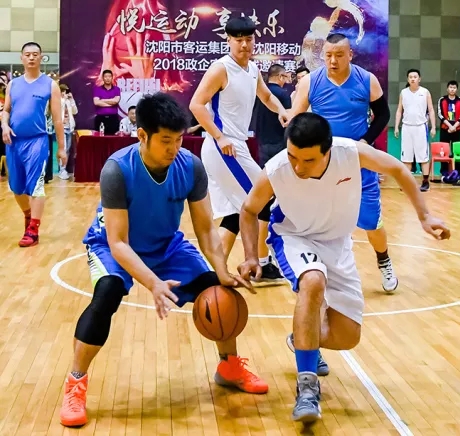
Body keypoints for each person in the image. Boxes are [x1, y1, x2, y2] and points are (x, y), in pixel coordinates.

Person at [59, 93, 267, 428]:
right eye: (166, 141)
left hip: (166, 245)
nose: (174, 148)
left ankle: (229, 366)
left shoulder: (190, 166)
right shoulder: (117, 170)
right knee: (107, 293)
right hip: (112, 246)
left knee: (216, 289)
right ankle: (76, 382)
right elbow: (118, 242)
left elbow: (205, 229)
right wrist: (153, 282)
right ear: (142, 135)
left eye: (179, 140)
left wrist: (222, 270)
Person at [237, 113, 450, 423]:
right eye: (293, 156)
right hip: (294, 236)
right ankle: (307, 387)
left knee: (347, 337)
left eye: (308, 160)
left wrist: (425, 216)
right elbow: (248, 209)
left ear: (328, 150)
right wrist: (251, 256)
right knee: (313, 281)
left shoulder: (350, 153)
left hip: (338, 243)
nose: (298, 167)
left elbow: (398, 169)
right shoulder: (277, 169)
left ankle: (302, 337)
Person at [288, 33, 398, 294]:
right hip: (323, 165)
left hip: (359, 164)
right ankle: (321, 271)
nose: (333, 61)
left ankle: (384, 260)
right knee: (320, 222)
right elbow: (296, 120)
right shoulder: (311, 82)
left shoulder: (366, 80)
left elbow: (383, 114)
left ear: (350, 55)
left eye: (339, 55)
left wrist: (366, 141)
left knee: (371, 221)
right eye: (328, 55)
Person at [189, 17, 289, 281]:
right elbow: (196, 104)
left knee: (236, 213)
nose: (244, 45)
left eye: (248, 39)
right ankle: (259, 262)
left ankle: (211, 273)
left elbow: (266, 96)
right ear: (228, 40)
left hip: (235, 146)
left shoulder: (252, 69)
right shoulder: (221, 69)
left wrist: (281, 110)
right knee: (262, 197)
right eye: (238, 40)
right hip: (224, 147)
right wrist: (220, 136)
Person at [1, 42, 67, 247]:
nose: (31, 57)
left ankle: (33, 230)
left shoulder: (50, 85)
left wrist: (61, 148)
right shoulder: (13, 85)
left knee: (36, 186)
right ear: (21, 58)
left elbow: (57, 119)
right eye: (27, 54)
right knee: (16, 188)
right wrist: (4, 125)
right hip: (14, 141)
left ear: (41, 57)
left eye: (35, 54)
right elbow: (6, 110)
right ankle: (29, 215)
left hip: (37, 141)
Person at [394, 68, 436, 192]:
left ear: (419, 79)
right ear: (408, 79)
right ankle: (407, 183)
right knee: (406, 157)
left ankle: (425, 182)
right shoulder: (403, 93)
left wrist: (433, 127)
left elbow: (431, 110)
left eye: (415, 77)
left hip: (421, 127)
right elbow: (399, 110)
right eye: (410, 77)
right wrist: (396, 126)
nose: (413, 79)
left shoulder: (425, 92)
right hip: (407, 127)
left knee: (423, 156)